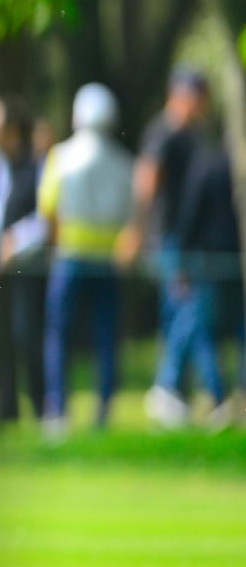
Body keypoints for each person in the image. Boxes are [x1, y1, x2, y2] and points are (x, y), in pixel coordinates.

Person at [38, 83, 133, 436]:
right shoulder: (124, 163)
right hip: (107, 260)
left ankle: (58, 409)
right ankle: (103, 412)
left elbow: (47, 210)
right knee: (106, 336)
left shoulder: (60, 157)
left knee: (58, 334)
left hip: (70, 257)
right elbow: (132, 215)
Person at [125, 68, 211, 425]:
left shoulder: (193, 136)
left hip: (189, 237)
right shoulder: (162, 132)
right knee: (188, 307)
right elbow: (146, 181)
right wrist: (136, 229)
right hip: (167, 237)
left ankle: (176, 392)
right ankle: (166, 387)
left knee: (179, 313)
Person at [0, 99, 47, 423]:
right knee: (0, 339)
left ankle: (43, 409)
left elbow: (45, 220)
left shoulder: (37, 167)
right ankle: (6, 412)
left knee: (27, 337)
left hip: (26, 269)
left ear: (13, 131)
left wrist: (14, 242)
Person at [154, 134, 237, 428]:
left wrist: (183, 259)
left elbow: (191, 210)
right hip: (229, 259)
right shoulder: (225, 164)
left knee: (201, 328)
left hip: (210, 260)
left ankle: (215, 396)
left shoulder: (207, 163)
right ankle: (227, 399)